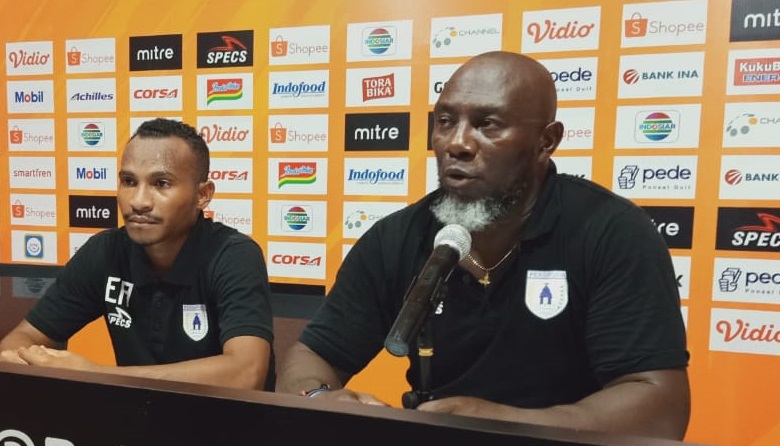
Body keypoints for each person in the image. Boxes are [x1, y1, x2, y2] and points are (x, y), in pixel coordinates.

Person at [277, 51, 690, 439]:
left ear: (546, 141)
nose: (456, 143)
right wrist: (318, 398)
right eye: (445, 121)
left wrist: (501, 426)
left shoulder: (610, 232)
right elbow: (312, 356)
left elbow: (661, 408)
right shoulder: (398, 238)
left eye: (487, 124)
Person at [0, 118, 275, 391]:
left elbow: (245, 372)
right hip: (134, 416)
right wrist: (25, 359)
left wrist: (97, 374)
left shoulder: (234, 256)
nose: (138, 201)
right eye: (129, 181)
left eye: (162, 183)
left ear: (202, 195)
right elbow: (22, 337)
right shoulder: (105, 251)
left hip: (223, 419)